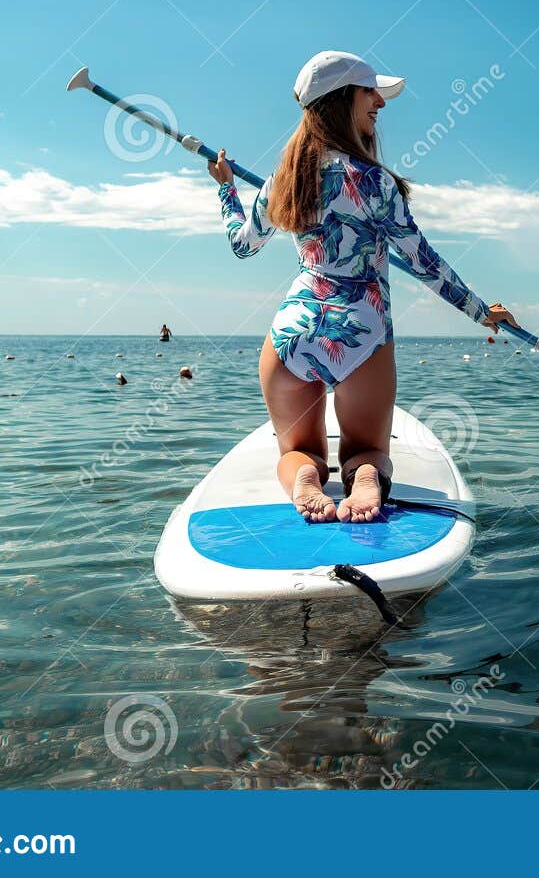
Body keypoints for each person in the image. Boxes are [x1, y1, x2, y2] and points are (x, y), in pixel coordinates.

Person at [207, 50, 514, 524]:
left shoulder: (282, 183)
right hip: (362, 332)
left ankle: (306, 479)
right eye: (370, 92)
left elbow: (242, 245)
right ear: (342, 98)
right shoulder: (375, 182)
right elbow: (423, 261)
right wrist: (480, 313)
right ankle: (365, 475)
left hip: (292, 331)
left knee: (298, 453)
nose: (380, 104)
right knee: (367, 449)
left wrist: (227, 188)